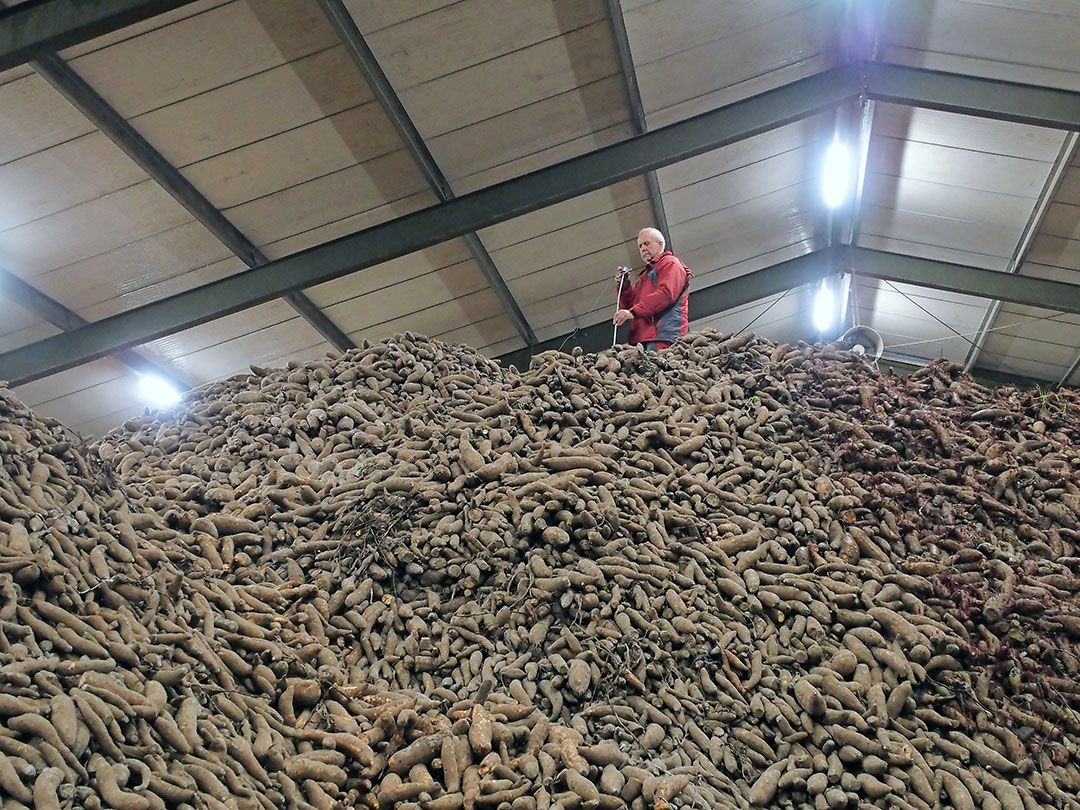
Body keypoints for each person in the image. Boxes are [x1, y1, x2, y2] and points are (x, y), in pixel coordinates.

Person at [612, 228, 692, 351]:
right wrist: (624, 285)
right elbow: (630, 305)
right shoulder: (644, 276)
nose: (643, 248)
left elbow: (665, 294)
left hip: (663, 336)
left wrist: (633, 312)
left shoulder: (670, 263)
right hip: (643, 340)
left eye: (647, 243)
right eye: (640, 246)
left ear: (660, 244)